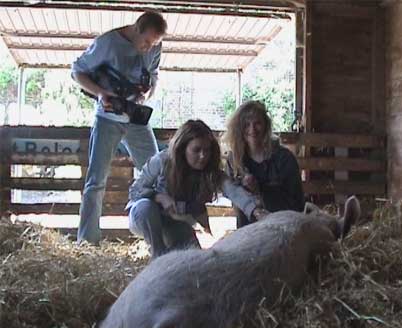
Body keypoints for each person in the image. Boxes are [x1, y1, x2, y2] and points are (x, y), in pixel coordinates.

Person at [71, 10, 167, 245]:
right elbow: (76, 71)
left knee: (157, 174)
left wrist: (145, 95)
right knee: (96, 180)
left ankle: (161, 236)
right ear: (136, 28)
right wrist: (102, 93)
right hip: (107, 118)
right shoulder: (108, 43)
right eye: (146, 42)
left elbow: (153, 76)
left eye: (154, 43)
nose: (148, 47)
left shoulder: (155, 47)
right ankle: (87, 242)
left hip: (136, 119)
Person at [127, 120, 268, 259]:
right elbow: (135, 191)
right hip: (145, 218)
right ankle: (157, 254)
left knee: (194, 260)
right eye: (196, 150)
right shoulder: (162, 161)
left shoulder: (211, 172)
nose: (203, 156)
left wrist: (256, 210)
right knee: (145, 207)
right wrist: (159, 197)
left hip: (175, 223)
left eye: (207, 150)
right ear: (183, 148)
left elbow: (233, 190)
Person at [223, 100, 305, 228]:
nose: (252, 129)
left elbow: (297, 204)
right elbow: (231, 192)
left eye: (257, 123)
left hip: (282, 228)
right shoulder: (234, 160)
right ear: (239, 128)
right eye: (246, 124)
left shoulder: (284, 159)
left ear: (266, 125)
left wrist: (261, 191)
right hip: (246, 230)